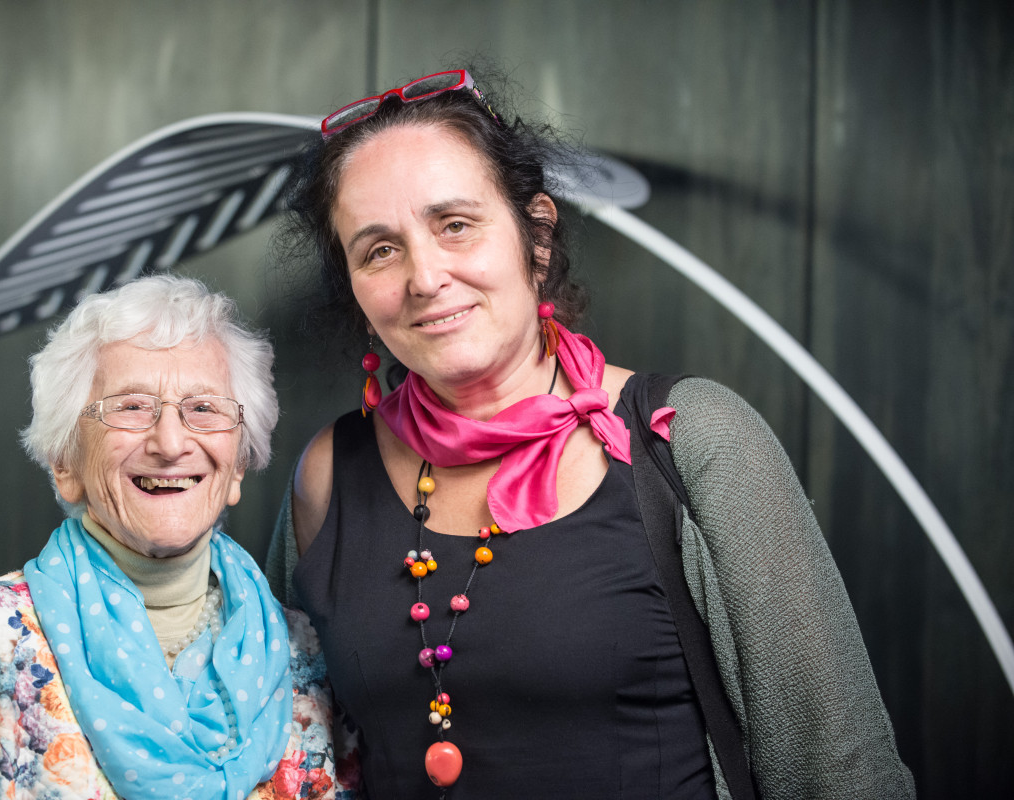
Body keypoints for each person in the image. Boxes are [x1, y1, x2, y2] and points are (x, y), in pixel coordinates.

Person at [267, 69, 915, 798]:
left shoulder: (691, 441)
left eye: (455, 225)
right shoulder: (327, 474)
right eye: (379, 250)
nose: (424, 277)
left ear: (536, 236)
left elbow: (840, 772)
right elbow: (286, 758)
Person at [0, 276, 349, 799]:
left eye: (203, 408)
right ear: (65, 463)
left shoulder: (306, 654)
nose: (170, 443)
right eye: (131, 406)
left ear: (237, 465)